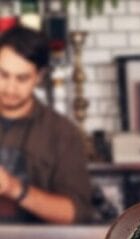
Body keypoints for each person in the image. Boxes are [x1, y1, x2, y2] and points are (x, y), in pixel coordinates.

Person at [0, 26, 93, 224]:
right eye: (3, 75)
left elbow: (76, 213)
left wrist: (13, 188)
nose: (10, 87)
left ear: (39, 76)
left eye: (22, 78)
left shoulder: (61, 133)